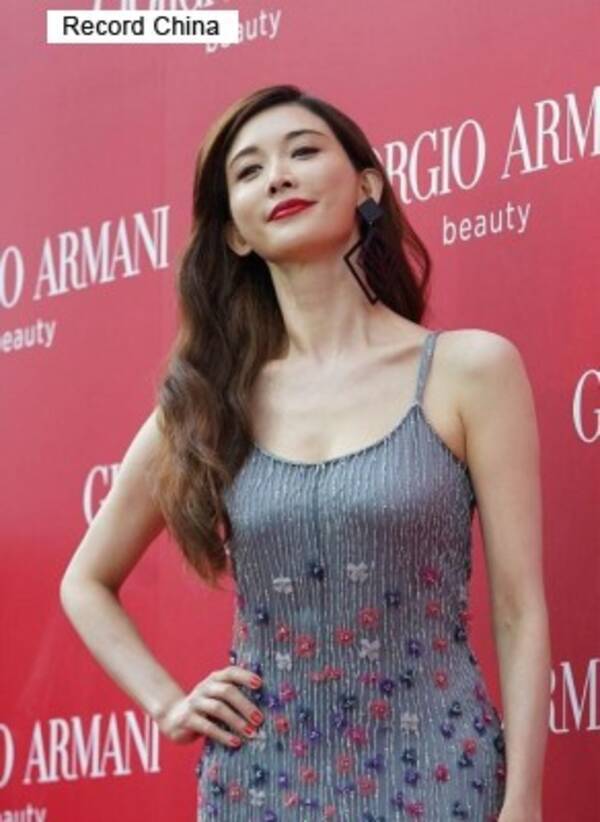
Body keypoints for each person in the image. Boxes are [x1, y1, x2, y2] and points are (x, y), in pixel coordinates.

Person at [60, 84, 550, 821]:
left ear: (366, 185)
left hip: (442, 767)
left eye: (303, 151)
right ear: (235, 233)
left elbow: (518, 609)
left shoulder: (470, 370)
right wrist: (167, 703)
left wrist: (525, 800)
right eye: (249, 171)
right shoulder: (208, 403)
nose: (278, 177)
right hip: (260, 781)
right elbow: (85, 582)